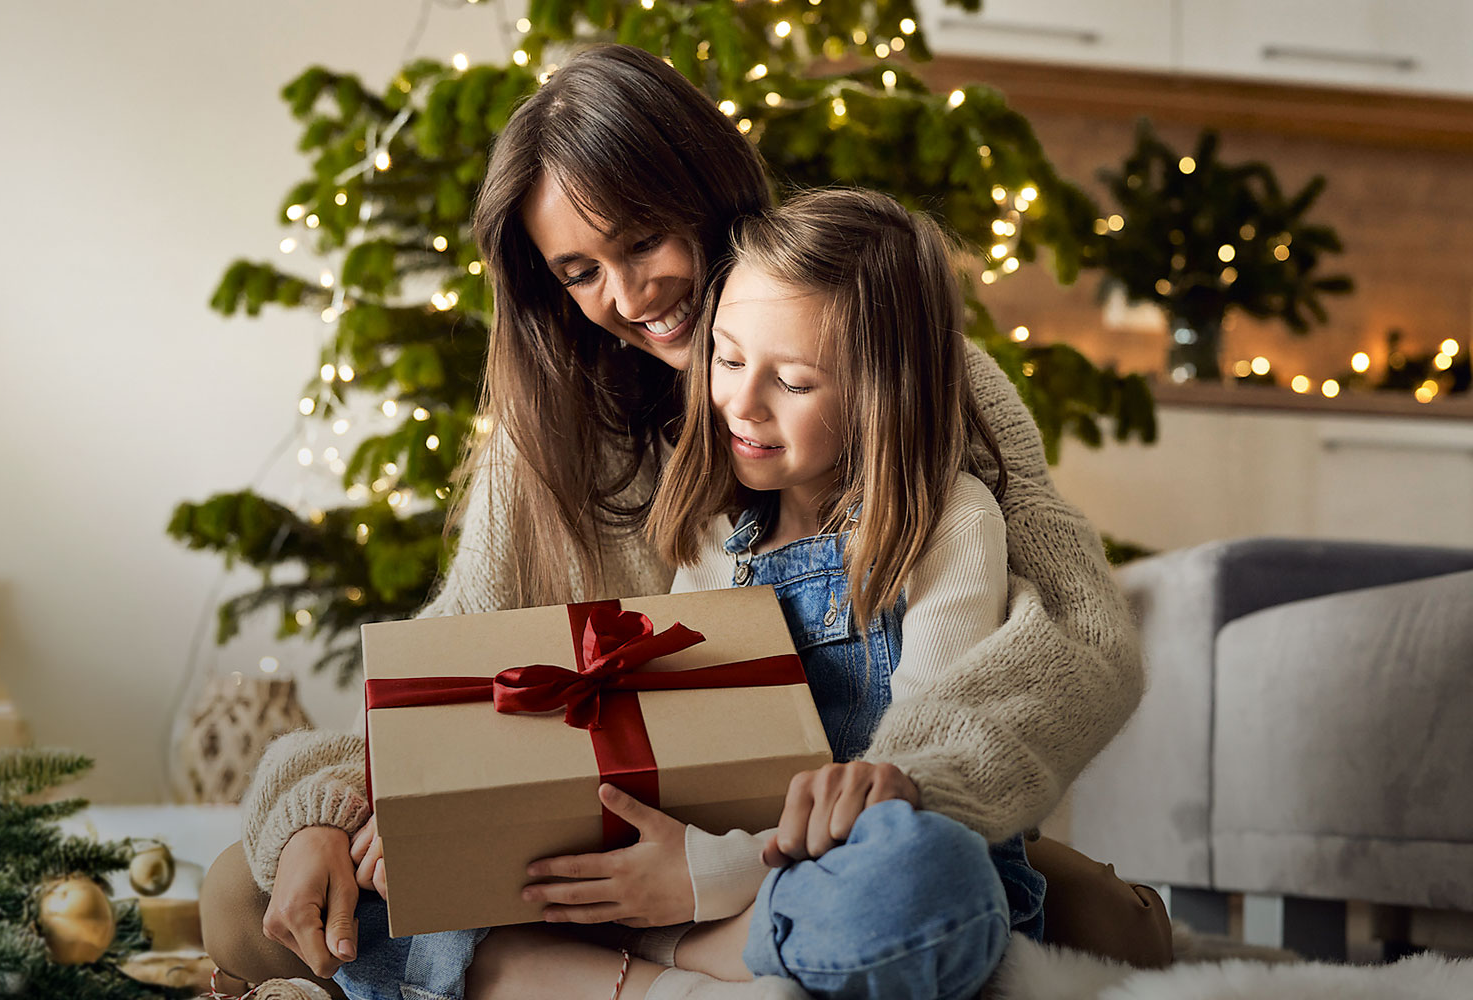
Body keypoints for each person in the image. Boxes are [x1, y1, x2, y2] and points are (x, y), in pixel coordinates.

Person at [201, 43, 1167, 999]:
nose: (626, 297)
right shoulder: (553, 438)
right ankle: (654, 976)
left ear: (707, 191)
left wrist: (904, 785)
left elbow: (1083, 637)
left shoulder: (897, 356)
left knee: (991, 904)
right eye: (579, 271)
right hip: (628, 846)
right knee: (244, 897)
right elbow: (450, 664)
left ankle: (566, 975)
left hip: (860, 820)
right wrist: (329, 807)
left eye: (643, 239)